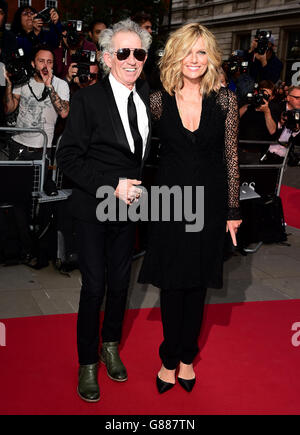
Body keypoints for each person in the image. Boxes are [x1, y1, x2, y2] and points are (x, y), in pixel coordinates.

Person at [138, 23, 242, 393]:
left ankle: (186, 358)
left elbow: (231, 157)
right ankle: (168, 359)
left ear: (210, 57)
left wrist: (233, 210)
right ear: (175, 55)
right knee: (171, 284)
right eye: (187, 51)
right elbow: (138, 147)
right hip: (170, 203)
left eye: (201, 52)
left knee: (197, 285)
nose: (193, 59)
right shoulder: (157, 99)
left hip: (210, 204)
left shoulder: (225, 100)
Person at [56, 19, 152, 403]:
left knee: (119, 283)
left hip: (130, 210)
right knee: (94, 286)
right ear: (108, 57)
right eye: (123, 52)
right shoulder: (87, 99)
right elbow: (67, 157)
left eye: (139, 53)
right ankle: (87, 363)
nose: (132, 60)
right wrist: (112, 185)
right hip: (94, 207)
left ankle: (110, 345)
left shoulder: (146, 94)